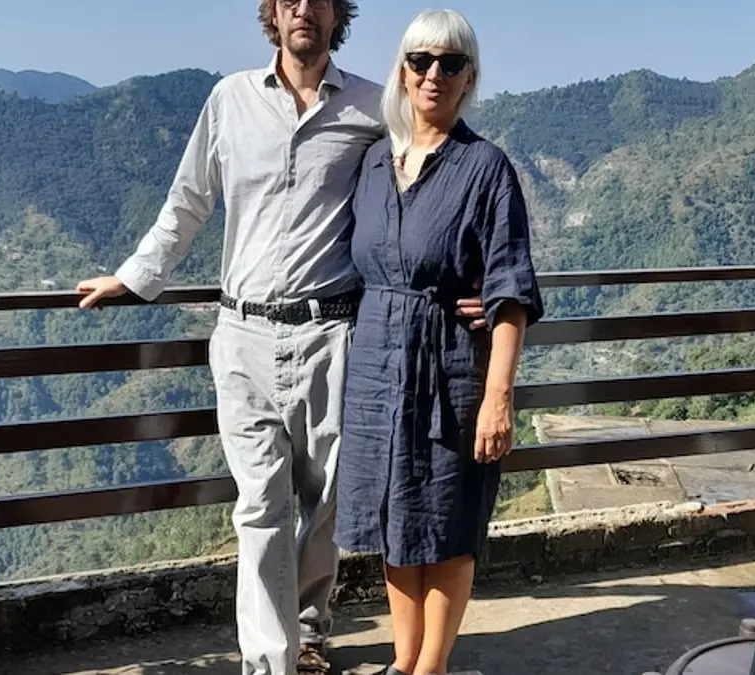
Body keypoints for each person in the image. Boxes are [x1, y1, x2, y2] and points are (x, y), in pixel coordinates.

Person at [77, 2, 491, 673]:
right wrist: (134, 277)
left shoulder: (369, 106)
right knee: (261, 504)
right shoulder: (229, 101)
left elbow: (424, 181)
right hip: (242, 333)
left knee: (327, 501)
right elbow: (188, 202)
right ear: (272, 13)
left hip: (334, 331)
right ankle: (271, 660)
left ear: (337, 15)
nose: (304, 8)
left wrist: (465, 289)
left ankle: (307, 631)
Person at [333, 9, 544, 675]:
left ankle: (432, 666)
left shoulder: (486, 168)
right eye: (421, 61)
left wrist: (498, 399)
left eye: (450, 64)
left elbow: (510, 292)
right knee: (395, 519)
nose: (433, 74)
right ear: (403, 70)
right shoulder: (371, 163)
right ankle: (404, 660)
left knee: (448, 524)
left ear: (468, 78)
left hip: (452, 370)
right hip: (375, 366)